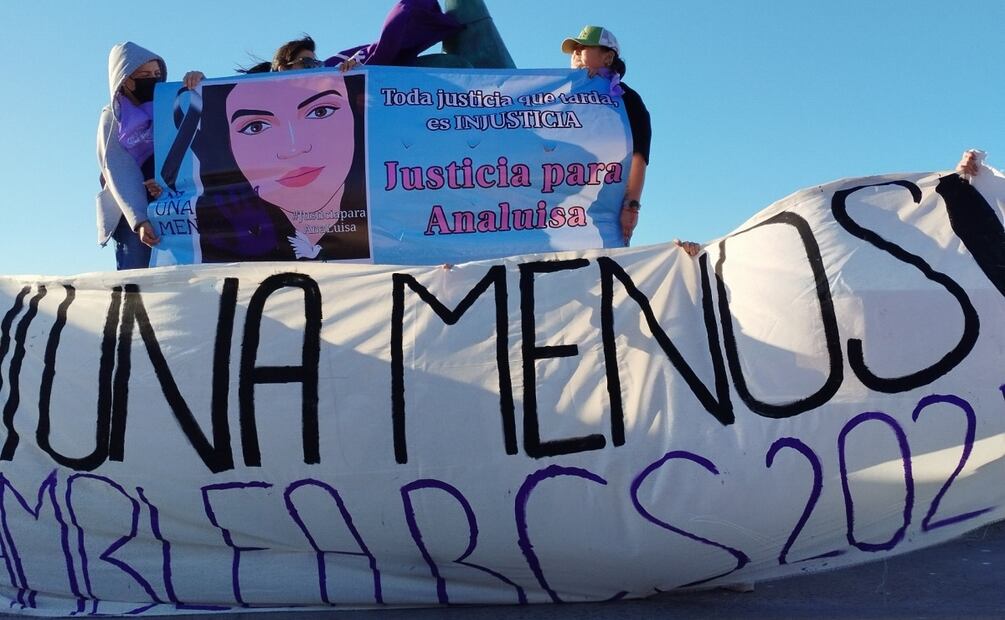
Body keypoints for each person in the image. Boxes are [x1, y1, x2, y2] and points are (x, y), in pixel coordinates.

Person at [187, 72, 370, 262]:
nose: (293, 148)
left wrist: (360, 74)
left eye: (320, 111)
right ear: (227, 145)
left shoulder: (387, 216)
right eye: (256, 126)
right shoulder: (221, 237)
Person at [562, 26, 700, 257]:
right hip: (559, 208)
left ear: (608, 56)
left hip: (602, 213)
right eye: (573, 49)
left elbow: (638, 155)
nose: (575, 53)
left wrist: (631, 206)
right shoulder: (558, 95)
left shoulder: (627, 100)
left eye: (583, 47)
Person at [96, 42, 166, 269]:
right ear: (125, 80)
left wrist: (197, 83)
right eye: (145, 75)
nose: (153, 79)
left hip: (168, 205)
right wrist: (140, 219)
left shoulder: (169, 108)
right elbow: (117, 169)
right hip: (131, 217)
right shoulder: (113, 117)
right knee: (137, 285)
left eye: (157, 74)